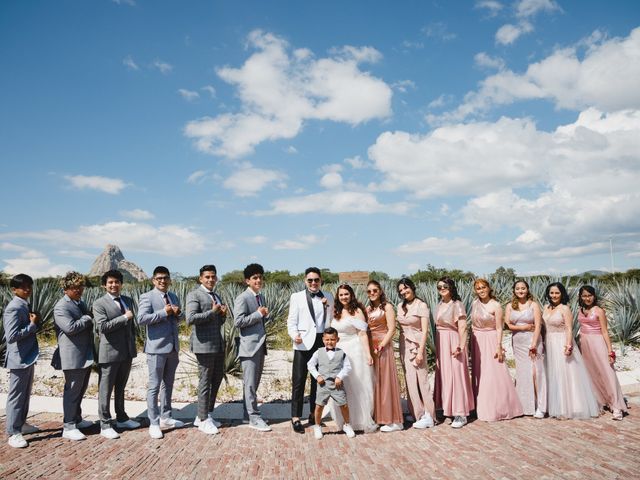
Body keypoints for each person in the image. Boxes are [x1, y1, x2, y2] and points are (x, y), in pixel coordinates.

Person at [138, 266, 184, 439]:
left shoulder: (173, 296)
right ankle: (154, 422)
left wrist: (179, 313)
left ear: (169, 279)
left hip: (173, 347)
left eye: (165, 278)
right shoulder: (147, 297)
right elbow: (141, 319)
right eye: (159, 278)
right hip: (156, 349)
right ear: (153, 280)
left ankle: (166, 416)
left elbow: (180, 319)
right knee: (154, 386)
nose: (163, 281)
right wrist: (163, 312)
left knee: (168, 385)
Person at [93, 270, 140, 439]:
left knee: (121, 387)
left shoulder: (128, 300)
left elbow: (132, 327)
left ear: (121, 283)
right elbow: (102, 327)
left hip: (126, 352)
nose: (114, 285)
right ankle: (105, 424)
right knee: (105, 390)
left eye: (117, 282)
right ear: (104, 285)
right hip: (109, 352)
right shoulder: (99, 304)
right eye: (110, 282)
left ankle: (121, 417)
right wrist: (124, 318)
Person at [286, 267, 334, 433]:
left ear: (321, 281)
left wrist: (327, 307)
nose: (313, 283)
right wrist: (294, 335)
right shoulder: (296, 297)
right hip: (302, 343)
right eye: (310, 280)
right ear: (305, 281)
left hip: (321, 343)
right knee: (299, 380)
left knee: (318, 381)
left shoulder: (328, 297)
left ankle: (314, 414)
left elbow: (329, 323)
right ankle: (296, 417)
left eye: (316, 280)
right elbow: (291, 322)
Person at [542, 282, 599, 419]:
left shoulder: (565, 309)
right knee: (553, 373)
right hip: (549, 342)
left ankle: (568, 407)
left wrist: (568, 345)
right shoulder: (545, 308)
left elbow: (569, 328)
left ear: (562, 294)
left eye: (557, 293)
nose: (554, 295)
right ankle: (555, 405)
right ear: (548, 294)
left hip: (561, 342)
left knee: (564, 373)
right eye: (552, 293)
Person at [470, 279, 523, 422]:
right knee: (479, 373)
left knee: (492, 373)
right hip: (477, 340)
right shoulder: (475, 304)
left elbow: (500, 327)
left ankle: (496, 408)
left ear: (488, 288)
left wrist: (499, 346)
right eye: (478, 288)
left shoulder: (496, 305)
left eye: (483, 287)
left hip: (491, 339)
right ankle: (478, 405)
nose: (481, 290)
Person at [328, 284, 377, 433]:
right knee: (341, 385)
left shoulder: (357, 311)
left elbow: (362, 334)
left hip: (354, 350)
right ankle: (342, 419)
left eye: (346, 294)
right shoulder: (335, 311)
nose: (344, 297)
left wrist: (368, 354)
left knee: (357, 384)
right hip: (338, 350)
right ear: (338, 296)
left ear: (351, 295)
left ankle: (359, 421)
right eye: (341, 294)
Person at [52, 271, 95, 441]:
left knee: (81, 389)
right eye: (74, 287)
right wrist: (87, 318)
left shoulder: (79, 303)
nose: (79, 290)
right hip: (72, 355)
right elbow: (70, 328)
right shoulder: (61, 307)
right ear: (66, 289)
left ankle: (77, 418)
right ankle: (68, 425)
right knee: (72, 391)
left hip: (84, 353)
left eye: (80, 286)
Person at [187, 265, 228, 435]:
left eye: (213, 277)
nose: (211, 279)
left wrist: (222, 315)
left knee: (216, 379)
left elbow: (217, 323)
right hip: (203, 345)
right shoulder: (194, 294)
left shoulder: (216, 295)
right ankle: (203, 420)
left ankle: (205, 414)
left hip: (217, 344)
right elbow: (190, 318)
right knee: (205, 382)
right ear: (200, 279)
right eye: (207, 277)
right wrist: (213, 312)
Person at [577, 285, 627, 420]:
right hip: (585, 344)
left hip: (598, 343)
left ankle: (617, 406)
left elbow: (605, 331)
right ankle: (601, 401)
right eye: (584, 296)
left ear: (594, 296)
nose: (587, 298)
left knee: (607, 373)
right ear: (580, 297)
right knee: (592, 373)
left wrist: (610, 350)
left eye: (589, 295)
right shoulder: (579, 310)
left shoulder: (599, 311)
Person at [233, 263, 271, 432]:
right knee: (249, 384)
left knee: (253, 384)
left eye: (260, 277)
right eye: (255, 278)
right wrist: (258, 314)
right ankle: (254, 418)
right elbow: (238, 322)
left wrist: (261, 316)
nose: (258, 280)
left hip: (259, 346)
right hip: (249, 347)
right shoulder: (243, 298)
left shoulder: (259, 297)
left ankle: (247, 415)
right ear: (247, 281)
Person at [3, 274, 40, 448]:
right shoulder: (14, 307)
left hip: (27, 356)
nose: (27, 289)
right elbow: (11, 336)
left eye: (29, 286)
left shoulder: (24, 304)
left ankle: (22, 424)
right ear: (14, 289)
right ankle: (13, 432)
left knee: (25, 394)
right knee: (16, 396)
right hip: (19, 358)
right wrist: (32, 326)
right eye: (23, 287)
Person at [433, 277, 474, 428]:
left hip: (453, 340)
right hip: (441, 341)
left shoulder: (457, 305)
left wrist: (460, 346)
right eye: (439, 287)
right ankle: (449, 408)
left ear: (451, 287)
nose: (442, 288)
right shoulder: (439, 305)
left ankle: (461, 413)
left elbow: (463, 327)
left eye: (445, 286)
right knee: (446, 376)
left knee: (457, 375)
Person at [395, 278, 436, 430]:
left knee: (422, 380)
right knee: (410, 381)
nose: (404, 292)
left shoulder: (422, 305)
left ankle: (430, 415)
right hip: (404, 345)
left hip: (417, 344)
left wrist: (420, 351)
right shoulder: (400, 306)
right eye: (401, 290)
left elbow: (425, 330)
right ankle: (417, 413)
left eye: (406, 289)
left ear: (412, 288)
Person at [504, 279, 547, 418]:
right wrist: (523, 327)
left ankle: (541, 406)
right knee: (523, 373)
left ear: (527, 289)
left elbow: (538, 325)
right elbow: (508, 325)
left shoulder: (533, 305)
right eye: (518, 288)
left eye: (523, 288)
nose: (520, 291)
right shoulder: (510, 306)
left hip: (532, 341)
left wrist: (534, 344)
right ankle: (526, 406)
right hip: (517, 342)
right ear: (514, 291)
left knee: (536, 372)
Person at [366, 280, 404, 432]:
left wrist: (382, 345)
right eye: (369, 291)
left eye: (375, 290)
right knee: (376, 381)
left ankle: (394, 419)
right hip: (371, 345)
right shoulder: (368, 308)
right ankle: (380, 416)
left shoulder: (387, 307)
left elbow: (392, 329)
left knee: (386, 381)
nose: (372, 293)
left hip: (383, 345)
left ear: (380, 291)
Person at [307, 327, 356, 439]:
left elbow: (347, 367)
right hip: (322, 385)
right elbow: (310, 365)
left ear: (337, 340)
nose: (330, 342)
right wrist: (317, 376)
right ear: (323, 339)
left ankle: (347, 425)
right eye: (327, 339)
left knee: (343, 405)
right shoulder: (318, 352)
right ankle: (317, 426)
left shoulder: (341, 353)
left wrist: (340, 376)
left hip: (337, 385)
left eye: (332, 339)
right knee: (319, 406)